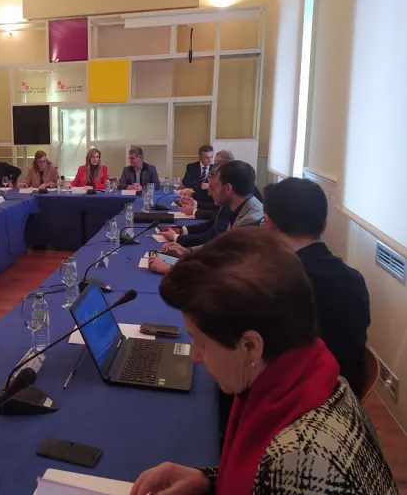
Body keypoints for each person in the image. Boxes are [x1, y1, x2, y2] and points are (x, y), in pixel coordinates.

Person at [132, 229, 397, 495]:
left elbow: (281, 477)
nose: (195, 357)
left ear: (250, 346)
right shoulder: (311, 376)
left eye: (200, 341)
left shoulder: (298, 460)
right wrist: (207, 479)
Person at [264, 177, 370, 395]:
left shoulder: (275, 282)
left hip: (297, 403)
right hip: (346, 398)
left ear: (268, 223)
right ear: (324, 224)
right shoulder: (354, 280)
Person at [148, 169, 230, 274]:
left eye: (213, 188)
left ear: (228, 188)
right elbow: (211, 225)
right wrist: (181, 231)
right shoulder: (228, 206)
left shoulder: (246, 218)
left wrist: (171, 269)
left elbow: (214, 239)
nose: (209, 192)